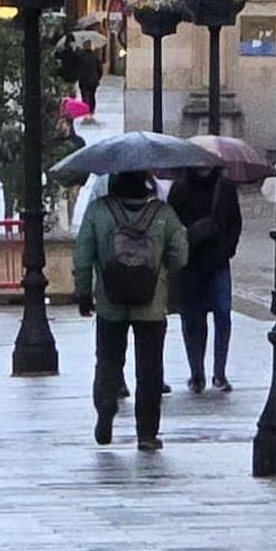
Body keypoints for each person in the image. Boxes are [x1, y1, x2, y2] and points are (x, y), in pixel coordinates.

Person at [75, 171, 188, 451]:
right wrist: (160, 272)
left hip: (110, 303)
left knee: (108, 360)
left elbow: (82, 254)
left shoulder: (98, 211)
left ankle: (105, 409)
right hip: (151, 305)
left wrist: (83, 293)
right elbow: (180, 255)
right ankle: (147, 433)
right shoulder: (162, 214)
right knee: (150, 368)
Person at [168, 166, 242, 393]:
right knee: (193, 318)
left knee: (223, 314)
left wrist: (227, 248)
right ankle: (197, 373)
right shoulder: (180, 189)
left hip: (218, 262)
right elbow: (172, 224)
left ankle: (219, 372)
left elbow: (235, 222)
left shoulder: (225, 187)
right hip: (190, 263)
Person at [76, 40, 103, 116]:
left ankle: (85, 110)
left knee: (84, 95)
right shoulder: (95, 57)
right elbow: (100, 69)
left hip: (83, 79)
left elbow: (76, 68)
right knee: (92, 96)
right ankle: (91, 111)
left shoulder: (80, 56)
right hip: (93, 80)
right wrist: (98, 77)